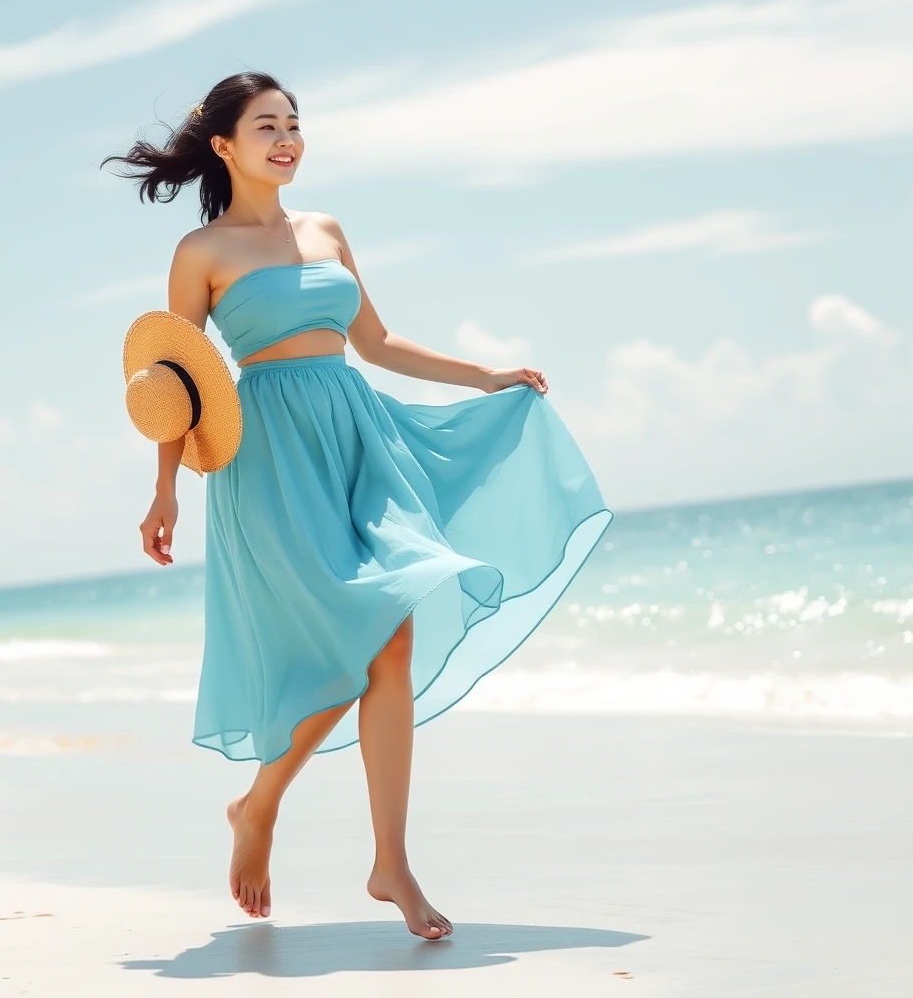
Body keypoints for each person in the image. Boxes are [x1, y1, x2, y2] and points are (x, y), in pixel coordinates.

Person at [102, 70, 613, 941]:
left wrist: (485, 374)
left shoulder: (326, 229)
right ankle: (261, 808)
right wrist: (163, 491)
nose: (287, 138)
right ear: (224, 146)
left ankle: (387, 862)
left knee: (393, 632)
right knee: (349, 642)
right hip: (264, 456)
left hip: (355, 439)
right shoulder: (203, 254)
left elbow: (374, 342)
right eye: (267, 125)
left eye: (295, 124)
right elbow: (177, 384)